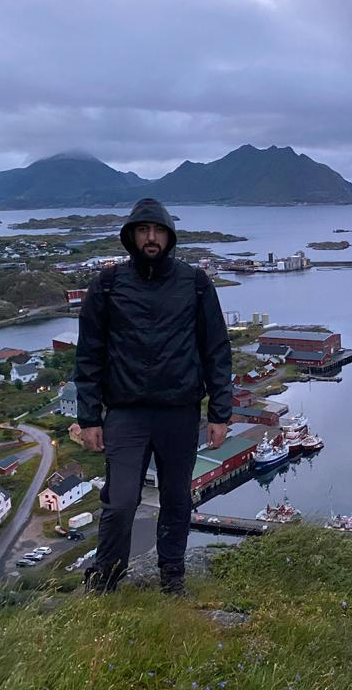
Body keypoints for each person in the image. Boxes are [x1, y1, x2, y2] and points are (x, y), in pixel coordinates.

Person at [71, 197, 232, 594]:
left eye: (158, 230)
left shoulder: (195, 284)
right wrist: (89, 417)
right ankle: (107, 578)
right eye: (143, 230)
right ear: (131, 236)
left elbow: (215, 349)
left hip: (179, 411)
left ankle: (172, 577)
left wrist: (220, 412)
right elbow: (89, 354)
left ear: (169, 236)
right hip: (126, 413)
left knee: (176, 499)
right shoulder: (108, 285)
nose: (151, 237)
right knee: (121, 501)